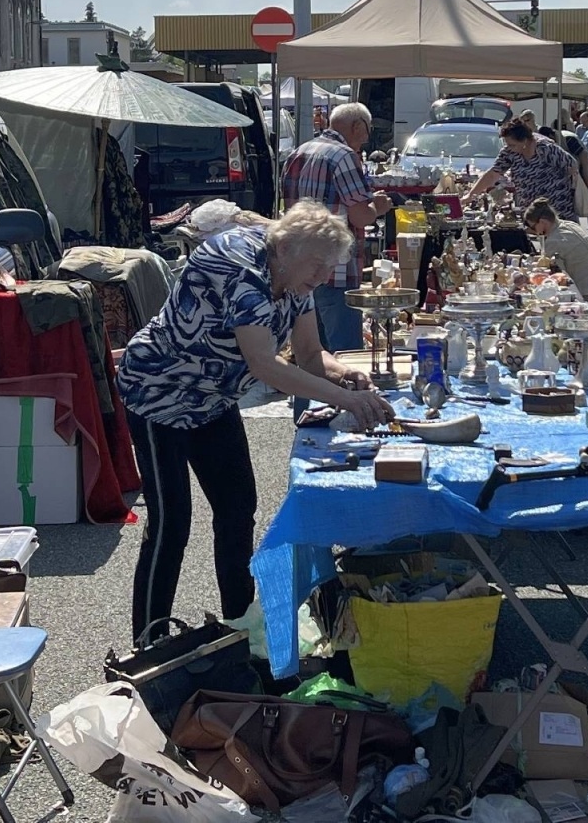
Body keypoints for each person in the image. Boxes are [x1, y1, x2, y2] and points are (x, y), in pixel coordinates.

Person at [118, 202, 393, 643]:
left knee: (237, 509)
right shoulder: (242, 274)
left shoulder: (295, 278)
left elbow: (308, 356)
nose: (324, 277)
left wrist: (345, 374)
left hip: (213, 397)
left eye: (330, 267)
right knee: (172, 524)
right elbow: (265, 366)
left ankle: (240, 627)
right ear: (284, 250)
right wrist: (345, 398)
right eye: (318, 266)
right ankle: (146, 644)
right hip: (159, 392)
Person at [281, 102, 392, 358]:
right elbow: (362, 217)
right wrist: (380, 206)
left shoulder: (299, 152)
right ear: (357, 126)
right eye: (367, 130)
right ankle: (347, 399)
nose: (365, 139)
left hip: (298, 267)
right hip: (334, 269)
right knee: (346, 354)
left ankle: (307, 398)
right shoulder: (344, 156)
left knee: (308, 354)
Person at [522, 197, 588, 313]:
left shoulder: (553, 242)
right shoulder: (570, 225)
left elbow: (553, 277)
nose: (533, 231)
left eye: (533, 227)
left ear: (543, 222)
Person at [465, 118, 578, 218]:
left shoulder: (545, 148)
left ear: (524, 140)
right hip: (531, 211)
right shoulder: (509, 152)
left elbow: (572, 165)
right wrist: (471, 195)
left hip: (557, 210)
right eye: (507, 144)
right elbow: (493, 174)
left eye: (512, 144)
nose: (509, 147)